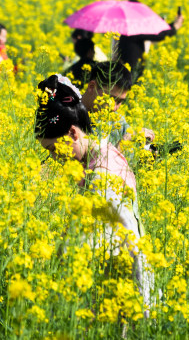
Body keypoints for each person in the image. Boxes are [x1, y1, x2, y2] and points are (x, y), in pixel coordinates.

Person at [34, 74, 154, 314]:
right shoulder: (101, 153)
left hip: (126, 300)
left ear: (72, 133)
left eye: (54, 149)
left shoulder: (102, 176)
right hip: (116, 292)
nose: (55, 158)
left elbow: (83, 248)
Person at [80, 61, 153, 147]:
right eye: (111, 98)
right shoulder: (68, 117)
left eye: (120, 101)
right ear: (92, 87)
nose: (114, 108)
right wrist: (123, 143)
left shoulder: (117, 122)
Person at [114, 0, 183, 79]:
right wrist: (175, 27)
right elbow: (158, 35)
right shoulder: (134, 28)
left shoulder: (122, 25)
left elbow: (153, 33)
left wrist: (172, 25)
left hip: (121, 67)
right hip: (131, 70)